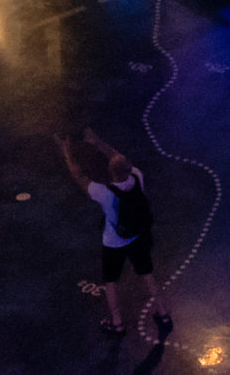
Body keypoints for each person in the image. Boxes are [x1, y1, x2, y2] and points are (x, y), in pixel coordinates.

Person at [58, 129, 169, 337]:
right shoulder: (137, 177)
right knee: (147, 275)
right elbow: (119, 158)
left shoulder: (104, 193)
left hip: (114, 242)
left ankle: (117, 322)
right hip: (138, 236)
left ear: (111, 173)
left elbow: (77, 175)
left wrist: (66, 151)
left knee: (110, 282)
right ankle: (163, 312)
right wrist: (98, 141)